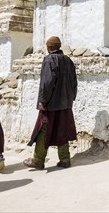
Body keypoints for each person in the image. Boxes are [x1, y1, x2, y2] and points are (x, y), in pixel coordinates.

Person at [24, 36, 77, 170]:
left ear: (50, 48)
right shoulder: (68, 60)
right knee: (62, 129)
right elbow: (74, 82)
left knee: (43, 130)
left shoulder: (49, 60)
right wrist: (72, 97)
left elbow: (47, 83)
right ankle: (65, 159)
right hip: (66, 103)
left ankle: (38, 160)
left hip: (51, 104)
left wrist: (42, 100)